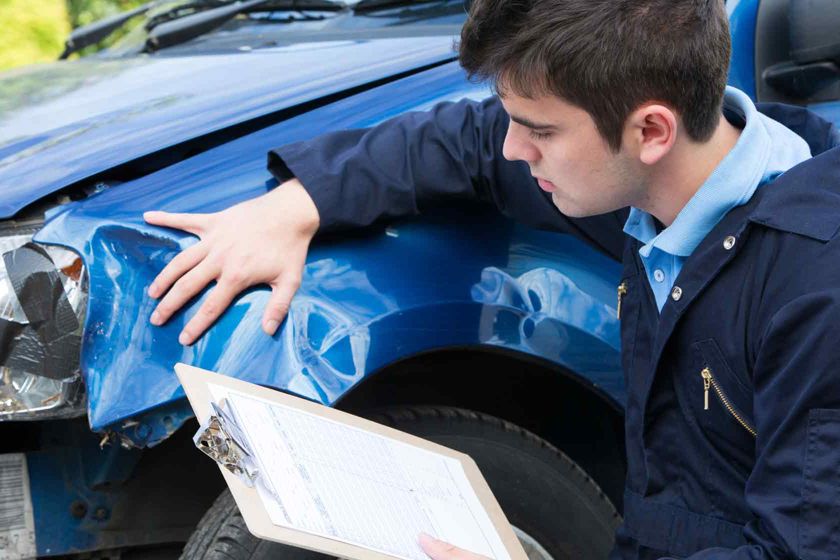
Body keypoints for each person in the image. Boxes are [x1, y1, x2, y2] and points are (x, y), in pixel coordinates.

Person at [143, 0, 840, 557]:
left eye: (537, 129)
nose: (514, 147)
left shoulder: (814, 287)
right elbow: (468, 143)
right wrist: (297, 205)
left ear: (651, 131)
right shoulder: (651, 180)